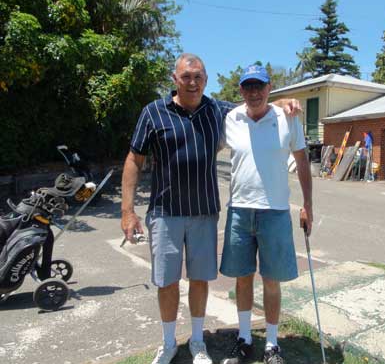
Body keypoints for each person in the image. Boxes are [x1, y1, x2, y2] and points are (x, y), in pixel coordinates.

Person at [121, 54, 301, 364]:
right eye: (186, 76)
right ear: (174, 79)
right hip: (165, 212)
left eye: (199, 77)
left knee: (200, 280)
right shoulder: (153, 113)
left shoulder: (217, 110)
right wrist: (127, 210)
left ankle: (197, 341)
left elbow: (256, 103)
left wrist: (287, 99)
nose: (193, 82)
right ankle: (167, 343)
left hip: (204, 212)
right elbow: (133, 160)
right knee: (166, 282)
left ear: (206, 80)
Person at [219, 65, 313, 364]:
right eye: (248, 86)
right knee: (242, 279)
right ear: (241, 90)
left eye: (259, 86)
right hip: (240, 211)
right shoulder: (231, 118)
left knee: (271, 280)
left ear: (269, 87)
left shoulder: (288, 117)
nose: (254, 92)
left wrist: (308, 205)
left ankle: (272, 344)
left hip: (275, 212)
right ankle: (245, 338)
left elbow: (302, 160)